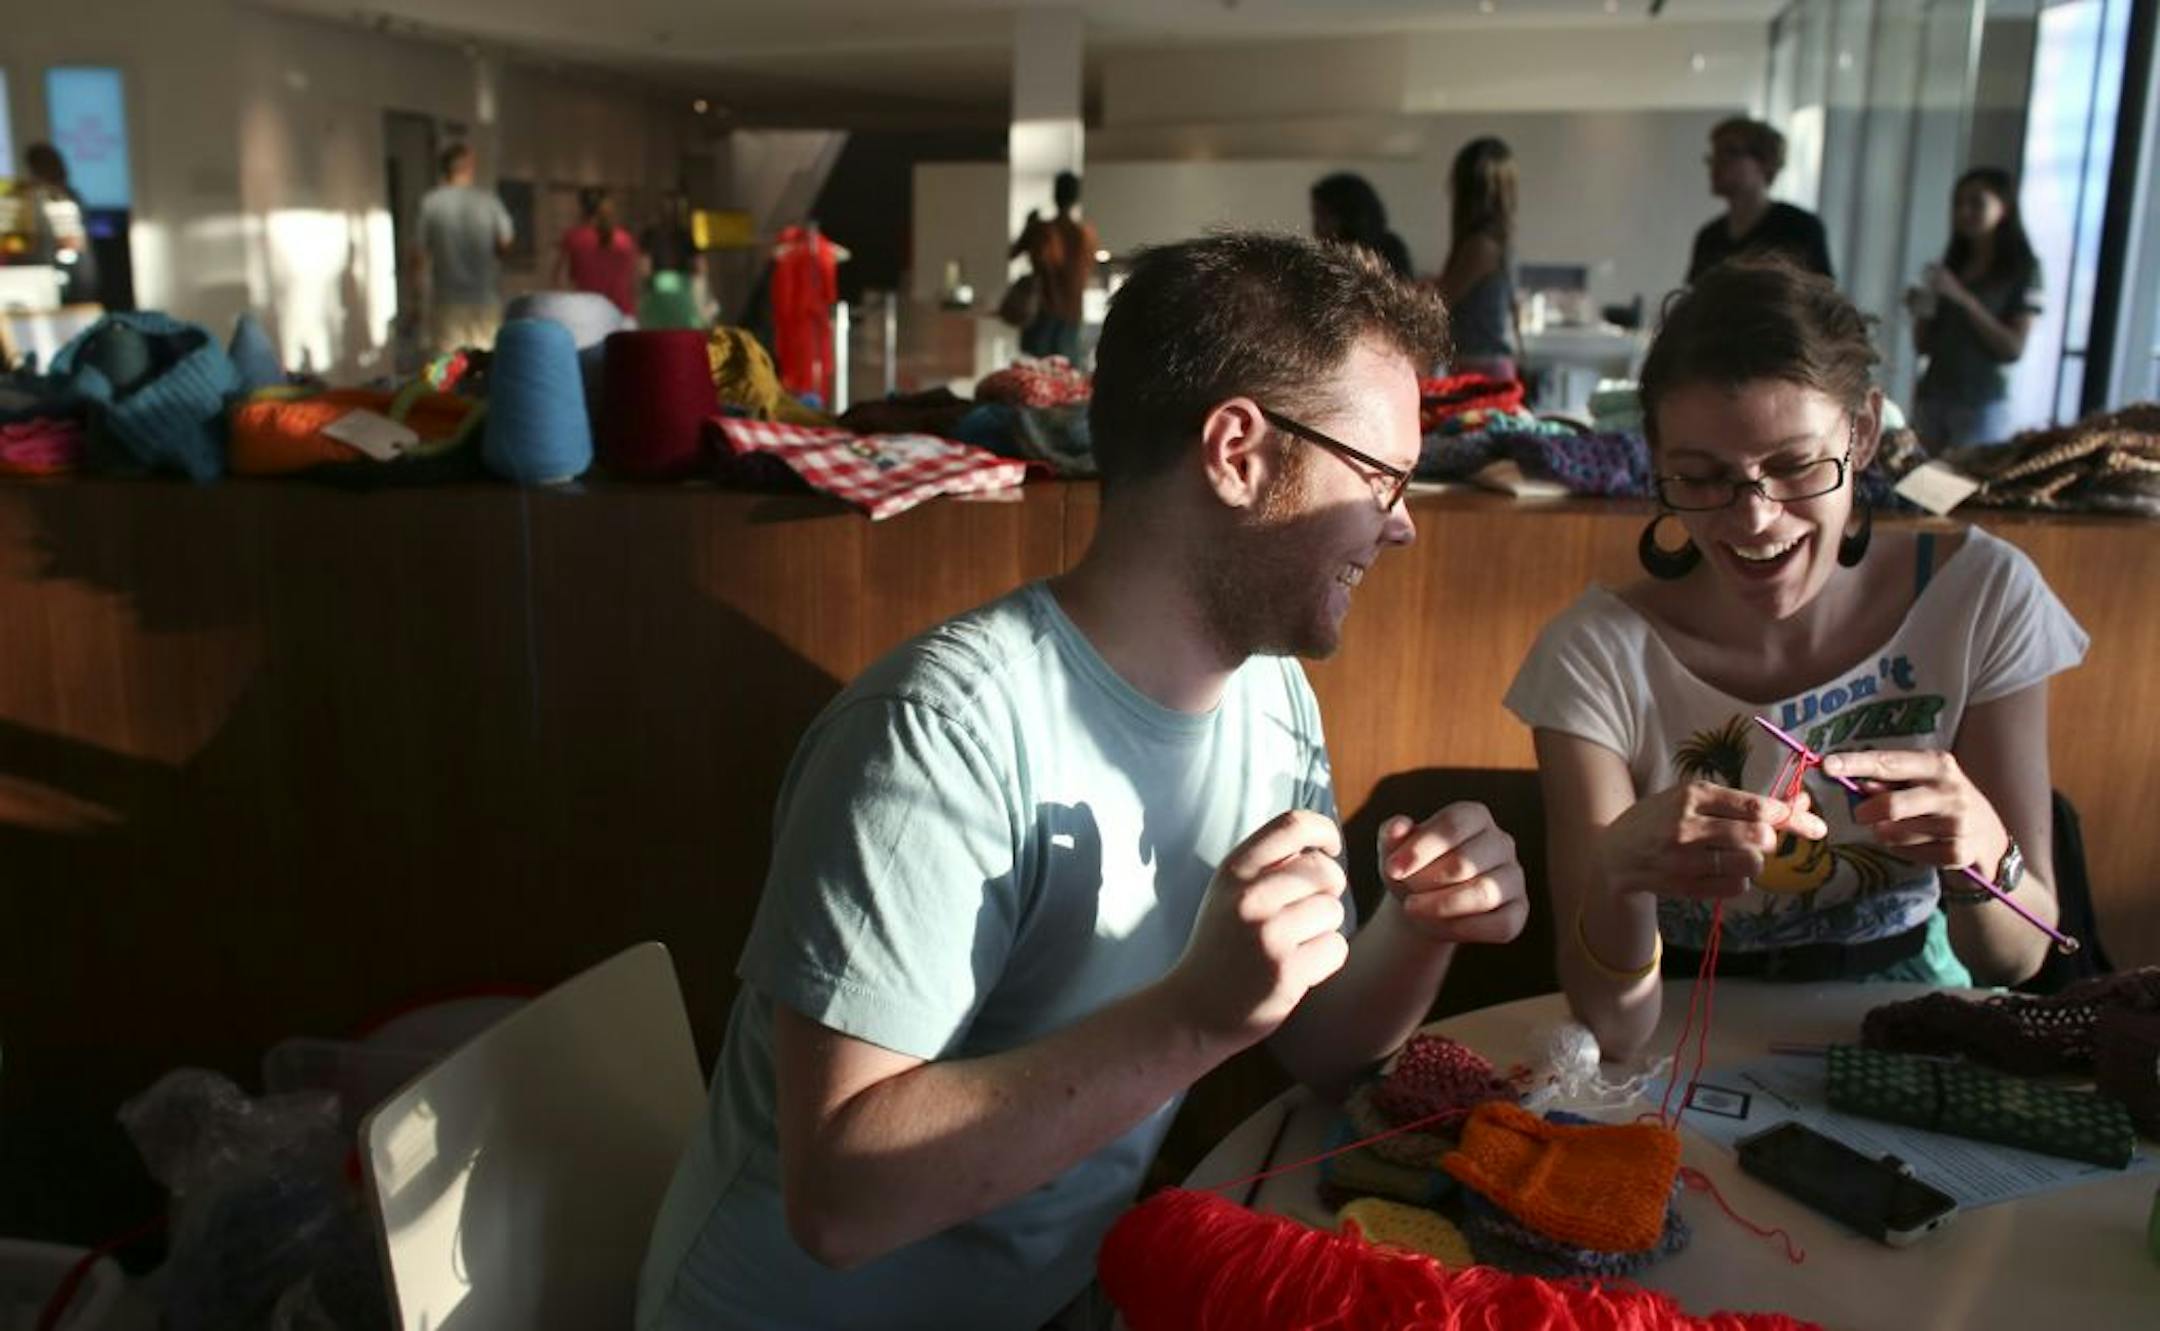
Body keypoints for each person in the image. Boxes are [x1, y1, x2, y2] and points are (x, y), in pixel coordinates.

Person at [638, 232, 1529, 1330]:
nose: (1401, 524)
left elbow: (1318, 1044)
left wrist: (1423, 923)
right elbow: (840, 1199)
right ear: (1238, 451)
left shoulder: (1273, 696)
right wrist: (1193, 1017)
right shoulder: (937, 735)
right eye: (1382, 476)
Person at [1506, 258, 2085, 1063]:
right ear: (1658, 464)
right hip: (1680, 1031)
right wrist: (1617, 876)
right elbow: (1614, 1025)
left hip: (1915, 1026)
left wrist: (1983, 849)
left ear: (1863, 432)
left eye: (1795, 466)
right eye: (1702, 477)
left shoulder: (1981, 598)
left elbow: (2014, 960)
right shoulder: (1594, 654)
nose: (1754, 517)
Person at [1905, 168, 2042, 451]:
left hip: (1981, 402)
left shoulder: (2022, 270)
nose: (1964, 212)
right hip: (1933, 395)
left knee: (1964, 478)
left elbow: (2013, 348)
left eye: (1976, 203)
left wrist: (1962, 298)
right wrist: (1921, 309)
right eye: (1958, 204)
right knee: (1918, 475)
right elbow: (1923, 345)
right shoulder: (1951, 264)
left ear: (2004, 207)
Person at [1686, 119, 1833, 285]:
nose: (1716, 164)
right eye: (1714, 156)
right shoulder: (1709, 237)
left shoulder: (1800, 228)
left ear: (1766, 162)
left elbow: (1822, 293)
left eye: (1730, 152)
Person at [411, 144, 514, 355]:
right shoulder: (489, 201)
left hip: (447, 301)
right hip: (485, 298)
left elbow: (418, 256)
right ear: (469, 167)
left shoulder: (430, 203)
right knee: (486, 362)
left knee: (449, 365)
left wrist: (416, 301)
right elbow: (505, 244)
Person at [1434, 137, 1519, 380]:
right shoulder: (1493, 242)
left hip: (1481, 370)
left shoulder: (1481, 246)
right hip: (1485, 366)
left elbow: (1442, 299)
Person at [1009, 170, 1100, 361]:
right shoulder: (1086, 235)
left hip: (1044, 310)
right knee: (1066, 370)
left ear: (1055, 195)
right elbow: (1089, 269)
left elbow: (1013, 253)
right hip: (1071, 312)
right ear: (1076, 198)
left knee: (1037, 369)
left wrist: (1028, 225)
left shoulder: (1040, 229)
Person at [20, 143, 101, 306]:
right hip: (67, 274)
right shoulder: (67, 195)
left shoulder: (53, 197)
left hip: (65, 274)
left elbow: (71, 242)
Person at [555, 186, 640, 317]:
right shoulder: (625, 239)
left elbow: (560, 280)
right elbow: (636, 280)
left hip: (587, 315)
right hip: (622, 314)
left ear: (582, 209)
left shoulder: (573, 238)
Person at [1310, 172, 1413, 280]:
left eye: (1323, 216)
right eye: (1316, 216)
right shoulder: (1321, 256)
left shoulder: (1387, 250)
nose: (1316, 226)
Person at [640, 189, 708, 329]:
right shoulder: (687, 234)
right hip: (683, 288)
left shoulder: (650, 234)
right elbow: (700, 266)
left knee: (658, 331)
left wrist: (646, 288)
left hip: (658, 286)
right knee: (683, 330)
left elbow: (645, 268)